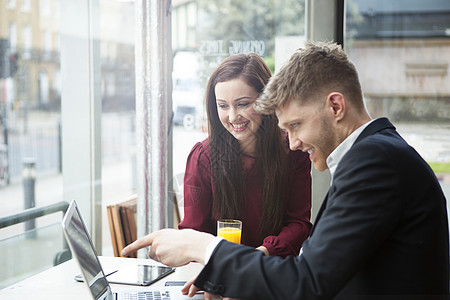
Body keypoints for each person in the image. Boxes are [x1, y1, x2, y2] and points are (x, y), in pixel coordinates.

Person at [122, 41, 450, 299]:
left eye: (295, 125)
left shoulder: (374, 164)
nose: (292, 143)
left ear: (336, 106)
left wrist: (202, 247)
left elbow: (307, 283)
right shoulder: (376, 154)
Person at [178, 53, 312, 258]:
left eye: (243, 104)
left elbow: (298, 223)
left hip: (273, 270)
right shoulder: (202, 157)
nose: (232, 117)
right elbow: (193, 233)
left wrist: (262, 254)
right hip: (220, 272)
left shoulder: (293, 150)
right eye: (223, 106)